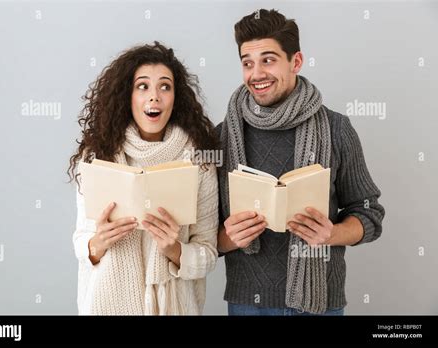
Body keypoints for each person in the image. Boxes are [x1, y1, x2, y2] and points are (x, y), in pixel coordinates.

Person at [216, 9, 385, 315]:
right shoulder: (223, 136)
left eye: (268, 60)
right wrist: (228, 238)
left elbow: (370, 214)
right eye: (247, 63)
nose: (256, 74)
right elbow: (201, 237)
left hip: (320, 303)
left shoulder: (336, 129)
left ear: (295, 61)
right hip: (247, 303)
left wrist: (331, 234)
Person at [67, 41, 219, 315]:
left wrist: (174, 249)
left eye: (165, 86)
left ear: (176, 98)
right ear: (129, 96)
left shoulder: (199, 161)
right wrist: (98, 242)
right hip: (106, 305)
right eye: (143, 86)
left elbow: (208, 253)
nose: (154, 97)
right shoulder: (97, 156)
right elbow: (81, 242)